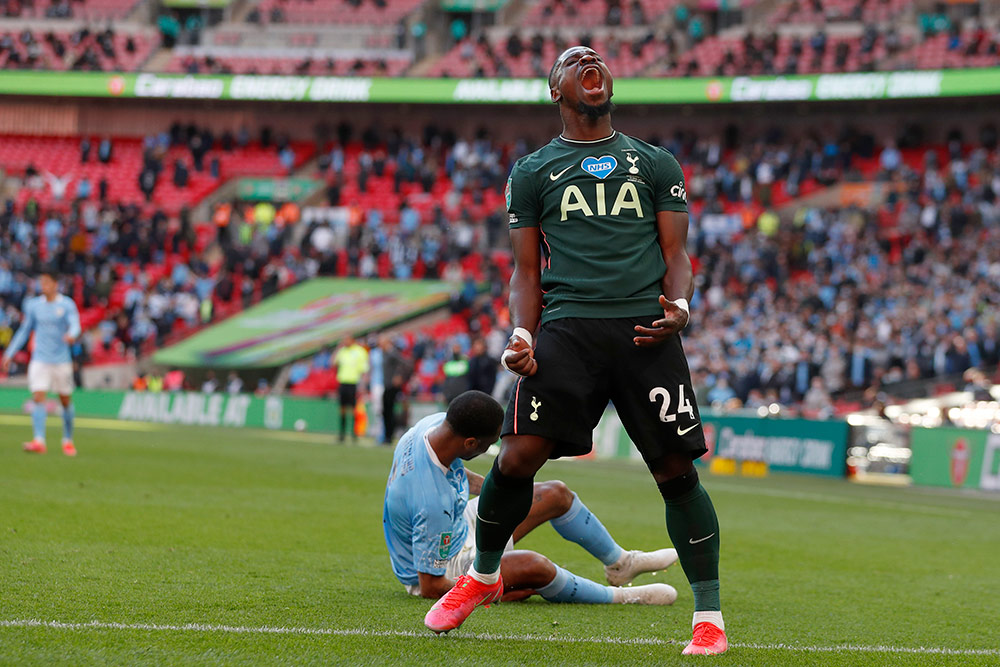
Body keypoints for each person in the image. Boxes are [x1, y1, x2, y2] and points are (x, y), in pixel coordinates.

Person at [425, 47, 727, 656]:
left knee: (675, 472)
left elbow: (676, 258)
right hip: (565, 331)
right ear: (555, 90)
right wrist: (523, 334)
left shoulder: (654, 162)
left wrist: (682, 307)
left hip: (645, 330)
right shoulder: (533, 172)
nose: (590, 59)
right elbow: (525, 272)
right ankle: (482, 577)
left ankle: (710, 617)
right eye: (573, 59)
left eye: (596, 57)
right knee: (516, 458)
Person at [386, 391, 678, 606]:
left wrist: (501, 491)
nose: (493, 449)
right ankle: (623, 597)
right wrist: (491, 590)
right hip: (442, 561)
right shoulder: (431, 503)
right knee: (533, 566)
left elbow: (456, 476)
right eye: (488, 445)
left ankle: (621, 563)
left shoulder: (432, 427)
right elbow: (429, 585)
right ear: (470, 443)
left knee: (555, 494)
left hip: (458, 520)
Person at [1, 270, 81, 456]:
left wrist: (72, 334)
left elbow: (75, 323)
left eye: (46, 283)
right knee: (38, 397)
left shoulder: (66, 304)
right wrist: (10, 353)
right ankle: (39, 440)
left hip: (61, 360)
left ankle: (67, 439)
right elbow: (24, 330)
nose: (42, 286)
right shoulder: (34, 305)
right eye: (40, 283)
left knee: (65, 400)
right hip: (40, 359)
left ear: (55, 284)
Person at [332, 334, 369, 443]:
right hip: (343, 383)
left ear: (352, 340)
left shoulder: (360, 352)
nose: (345, 342)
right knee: (342, 409)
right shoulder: (342, 351)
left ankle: (354, 434)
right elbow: (333, 363)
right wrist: (337, 349)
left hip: (353, 383)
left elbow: (364, 370)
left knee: (354, 410)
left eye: (346, 340)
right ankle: (342, 433)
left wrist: (362, 385)